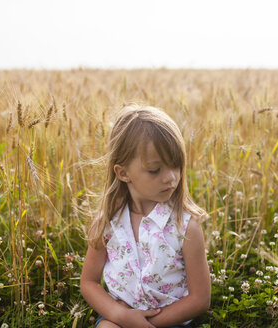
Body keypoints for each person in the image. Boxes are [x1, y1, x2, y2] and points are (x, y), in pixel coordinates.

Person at [80, 105, 211, 328]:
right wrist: (121, 317)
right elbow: (89, 282)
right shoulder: (107, 221)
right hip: (120, 316)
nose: (170, 178)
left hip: (171, 321)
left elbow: (200, 299)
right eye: (154, 170)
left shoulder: (186, 226)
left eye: (176, 165)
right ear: (123, 173)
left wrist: (147, 324)